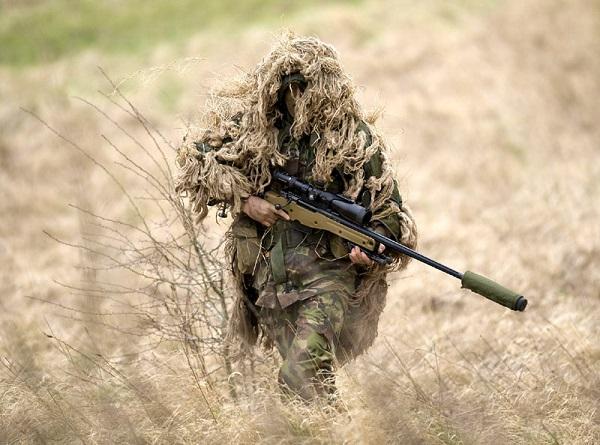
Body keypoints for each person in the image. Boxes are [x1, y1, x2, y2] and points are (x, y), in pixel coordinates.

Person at [175, 34, 418, 400]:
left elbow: (389, 209)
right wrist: (246, 201)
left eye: (304, 87)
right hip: (270, 282)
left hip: (328, 279)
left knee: (299, 373)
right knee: (314, 387)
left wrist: (372, 244)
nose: (297, 97)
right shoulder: (255, 129)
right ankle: (329, 428)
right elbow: (197, 161)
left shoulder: (351, 138)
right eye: (288, 88)